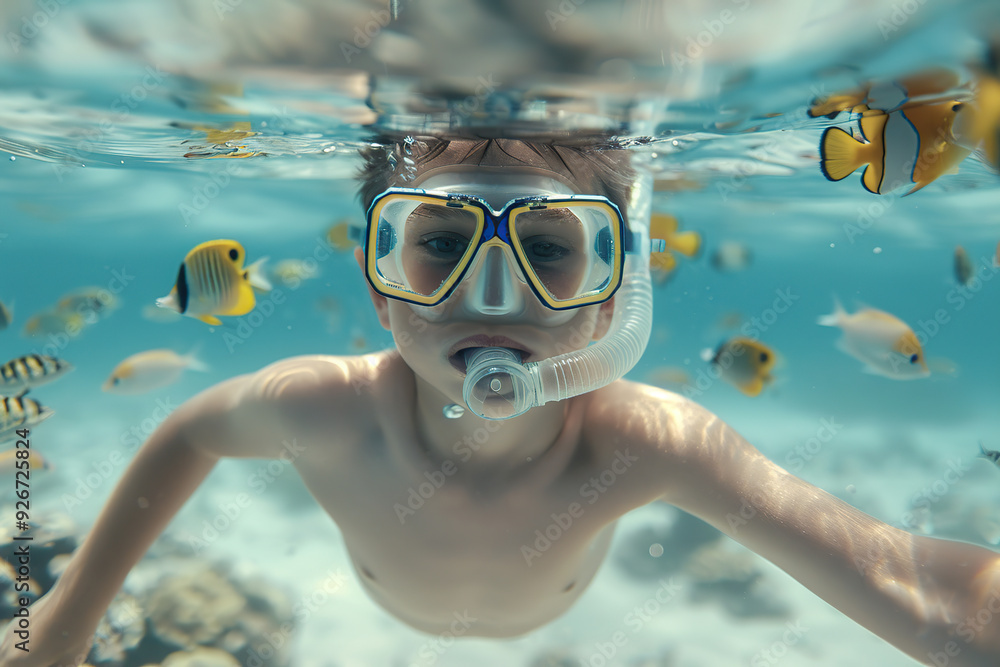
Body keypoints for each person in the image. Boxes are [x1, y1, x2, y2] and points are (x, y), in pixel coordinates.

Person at [3, 134, 999, 667]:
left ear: (613, 296)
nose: (490, 293)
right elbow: (188, 432)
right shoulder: (320, 407)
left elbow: (916, 582)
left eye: (549, 248)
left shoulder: (645, 439)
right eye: (439, 242)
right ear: (379, 285)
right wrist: (65, 621)